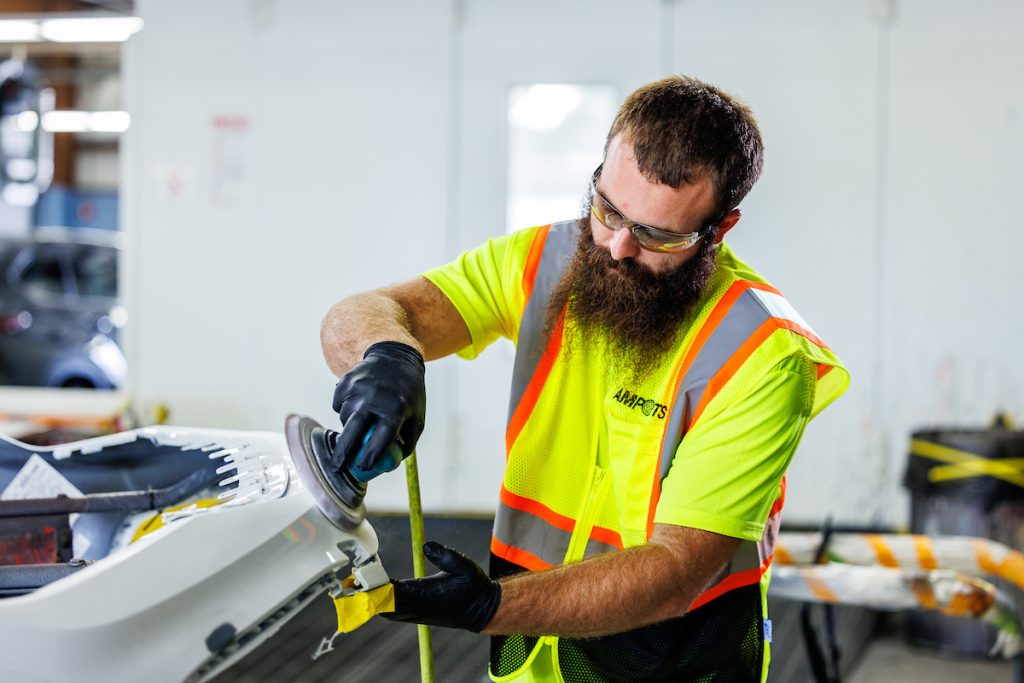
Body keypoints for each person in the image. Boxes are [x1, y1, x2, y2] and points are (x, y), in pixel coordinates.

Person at [320, 75, 849, 683]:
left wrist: (490, 607)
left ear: (719, 229)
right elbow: (360, 313)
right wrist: (387, 357)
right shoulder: (545, 262)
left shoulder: (763, 357)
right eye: (608, 209)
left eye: (657, 234)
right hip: (532, 654)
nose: (618, 246)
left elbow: (677, 569)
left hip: (671, 661)